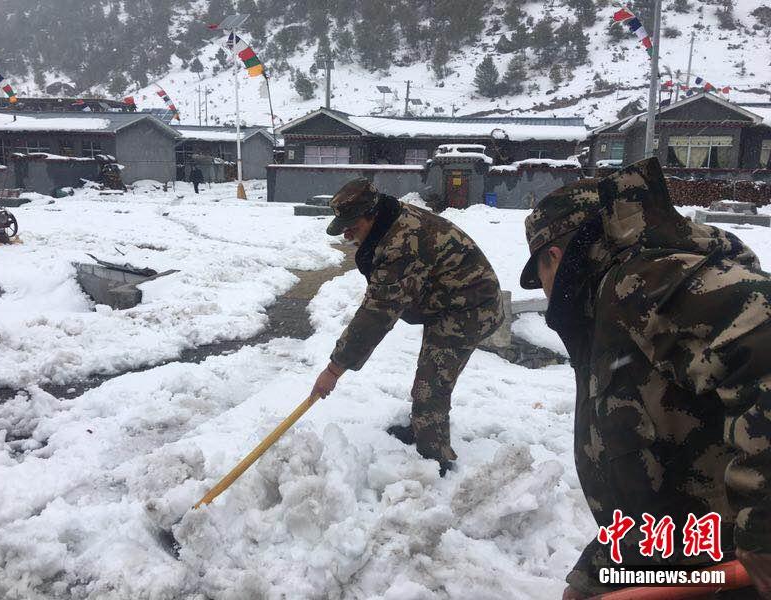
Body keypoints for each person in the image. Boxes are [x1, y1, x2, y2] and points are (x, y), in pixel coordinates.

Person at [519, 158, 771, 599]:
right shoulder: (608, 311)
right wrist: (597, 573)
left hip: (728, 574)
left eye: (538, 276)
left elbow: (763, 333)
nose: (543, 290)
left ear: (552, 258)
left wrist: (764, 527)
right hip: (674, 560)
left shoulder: (642, 284)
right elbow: (653, 465)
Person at [310, 178, 504, 476]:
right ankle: (423, 428)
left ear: (371, 215)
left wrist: (334, 370)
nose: (347, 235)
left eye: (353, 226)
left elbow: (376, 315)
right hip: (449, 299)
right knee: (429, 374)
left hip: (471, 309)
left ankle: (434, 460)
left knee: (431, 384)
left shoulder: (401, 245)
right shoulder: (389, 218)